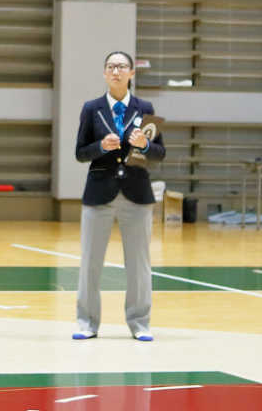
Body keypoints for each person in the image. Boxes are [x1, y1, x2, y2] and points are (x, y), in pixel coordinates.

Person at [72, 49, 166, 341]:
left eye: (122, 66)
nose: (116, 71)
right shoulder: (91, 108)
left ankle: (140, 324)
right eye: (111, 66)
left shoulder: (145, 107)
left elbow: (159, 153)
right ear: (104, 73)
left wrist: (146, 146)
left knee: (139, 264)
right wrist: (101, 146)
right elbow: (79, 153)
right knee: (90, 263)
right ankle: (87, 323)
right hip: (99, 193)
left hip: (137, 194)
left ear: (131, 73)